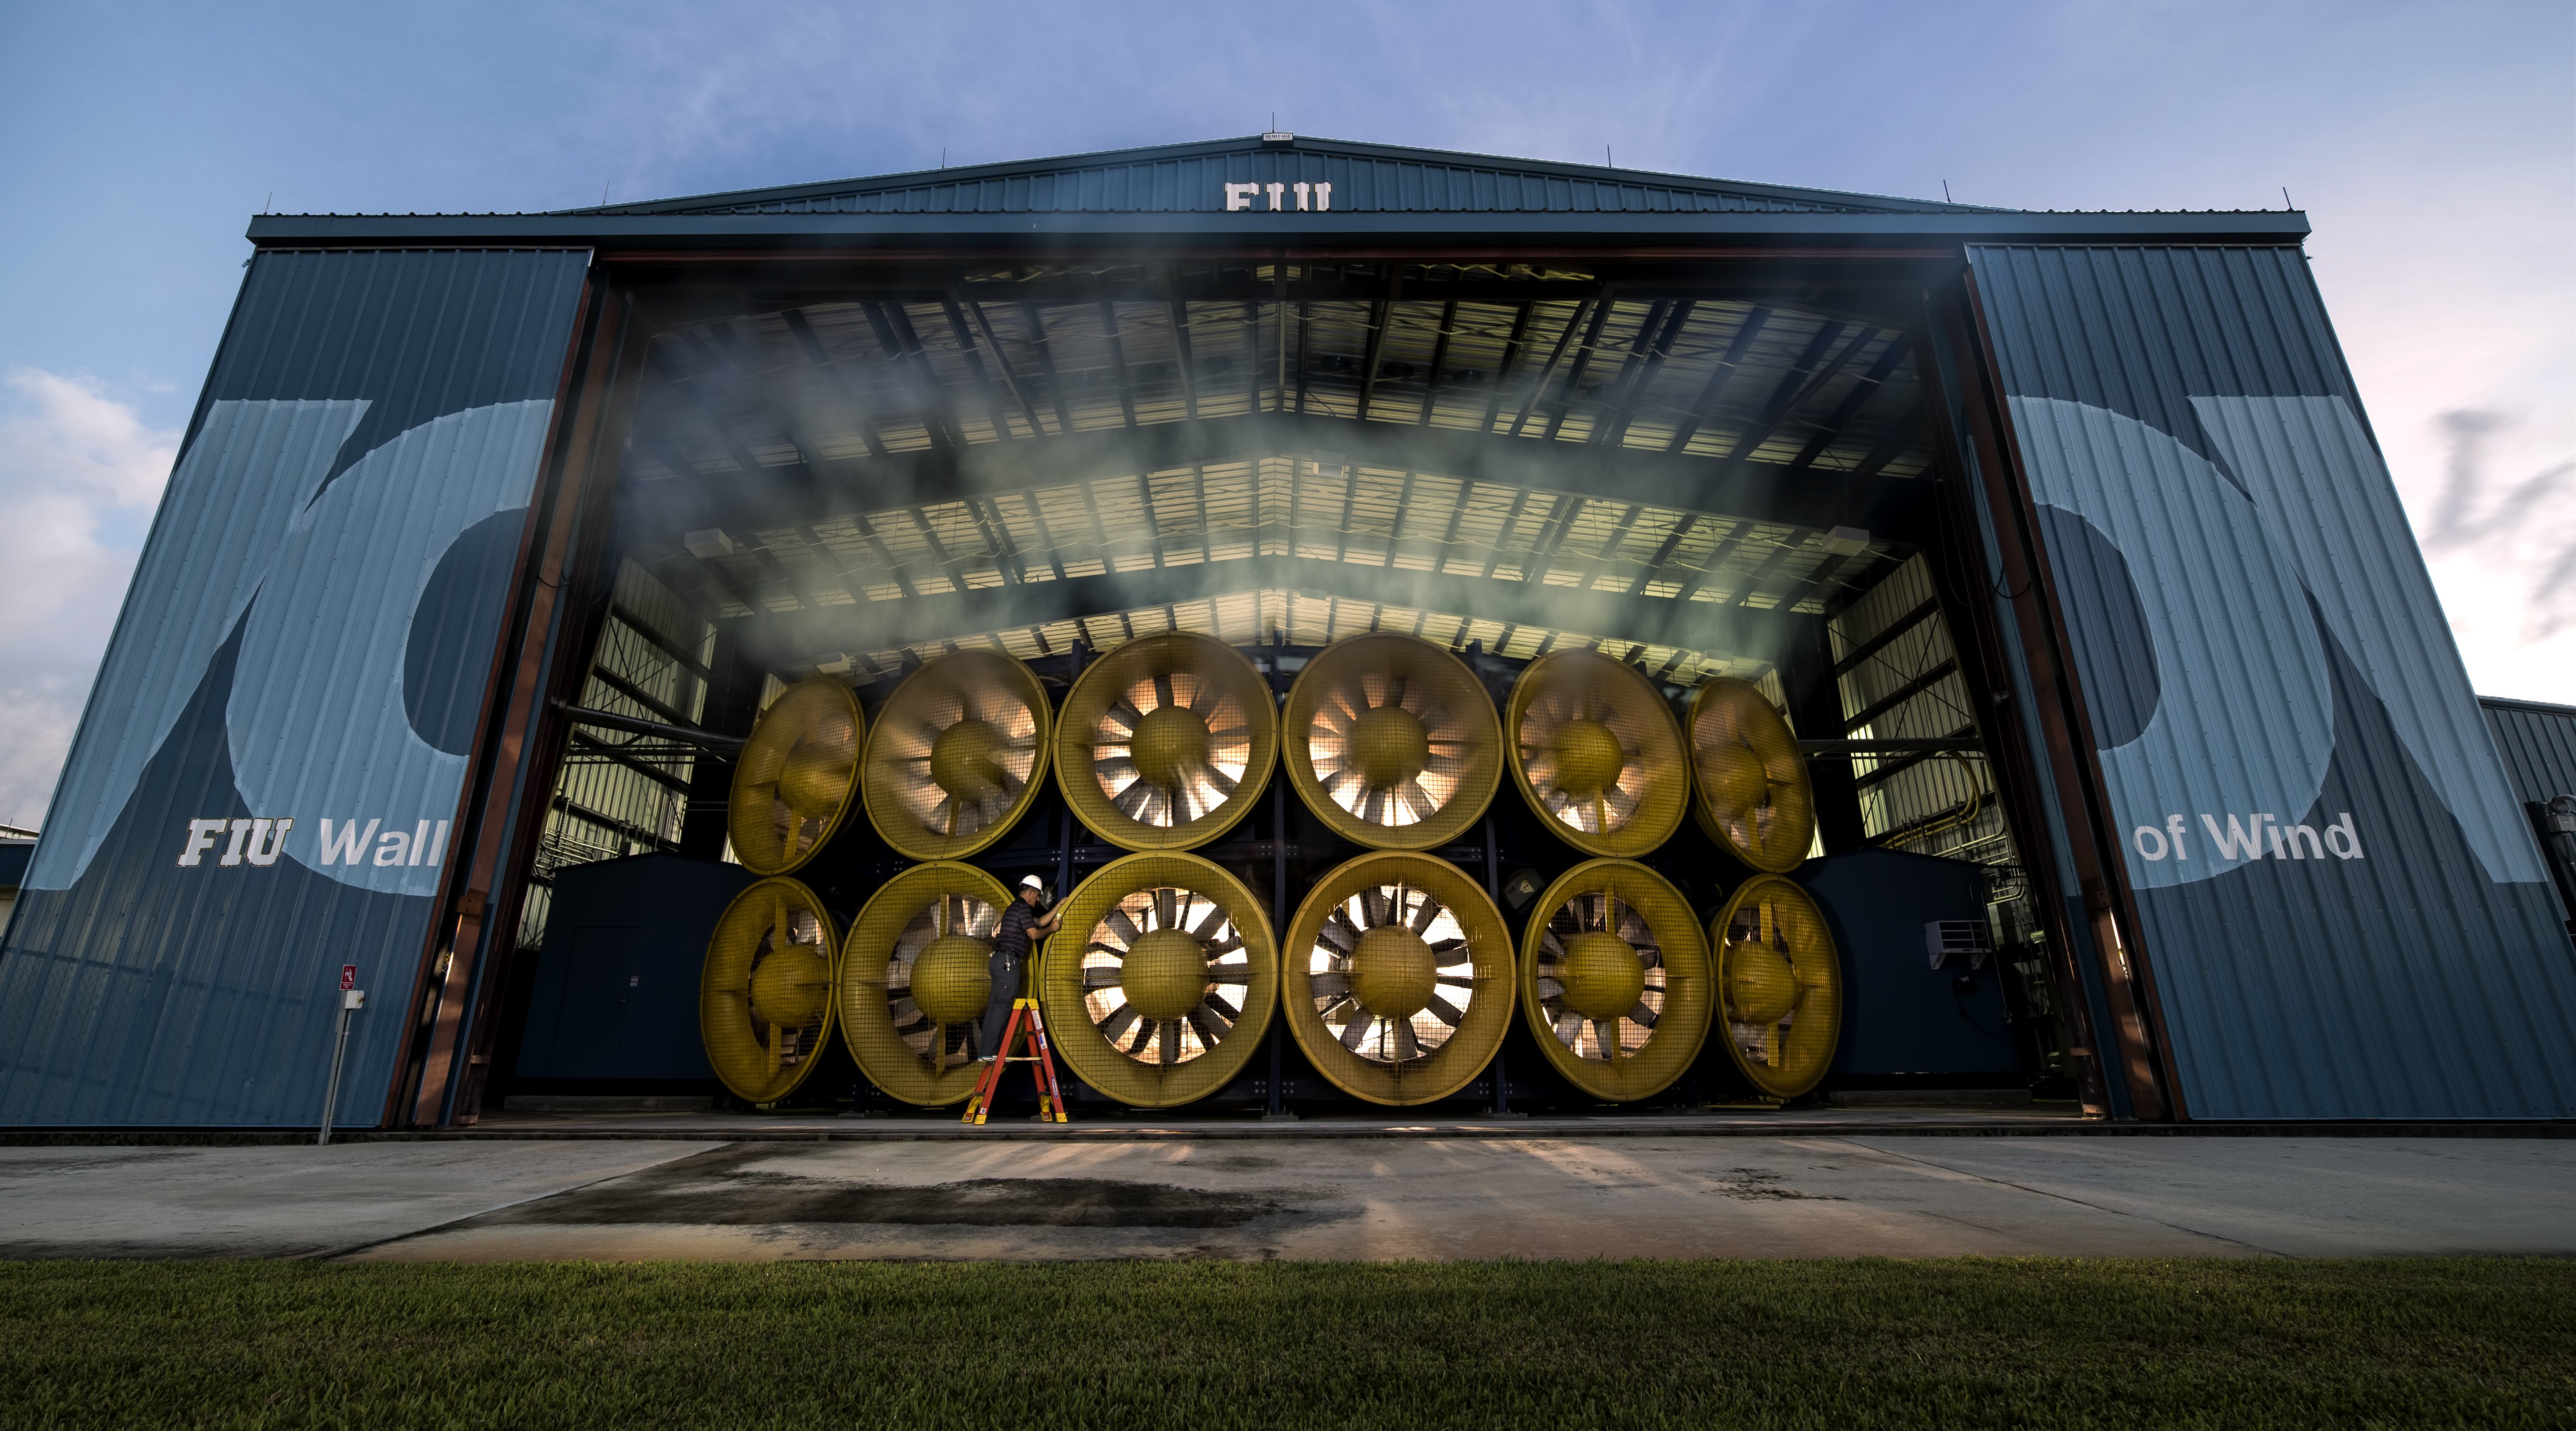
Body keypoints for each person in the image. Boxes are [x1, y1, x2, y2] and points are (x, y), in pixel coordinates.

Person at [978, 874, 1061, 1061]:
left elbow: (1039, 922)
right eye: (1038, 896)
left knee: (994, 1008)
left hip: (999, 961)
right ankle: (992, 1053)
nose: (1039, 900)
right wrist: (1053, 929)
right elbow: (1034, 933)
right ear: (1031, 893)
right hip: (1009, 963)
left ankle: (985, 1052)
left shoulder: (1016, 908)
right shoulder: (1023, 907)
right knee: (1002, 1008)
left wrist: (1058, 907)